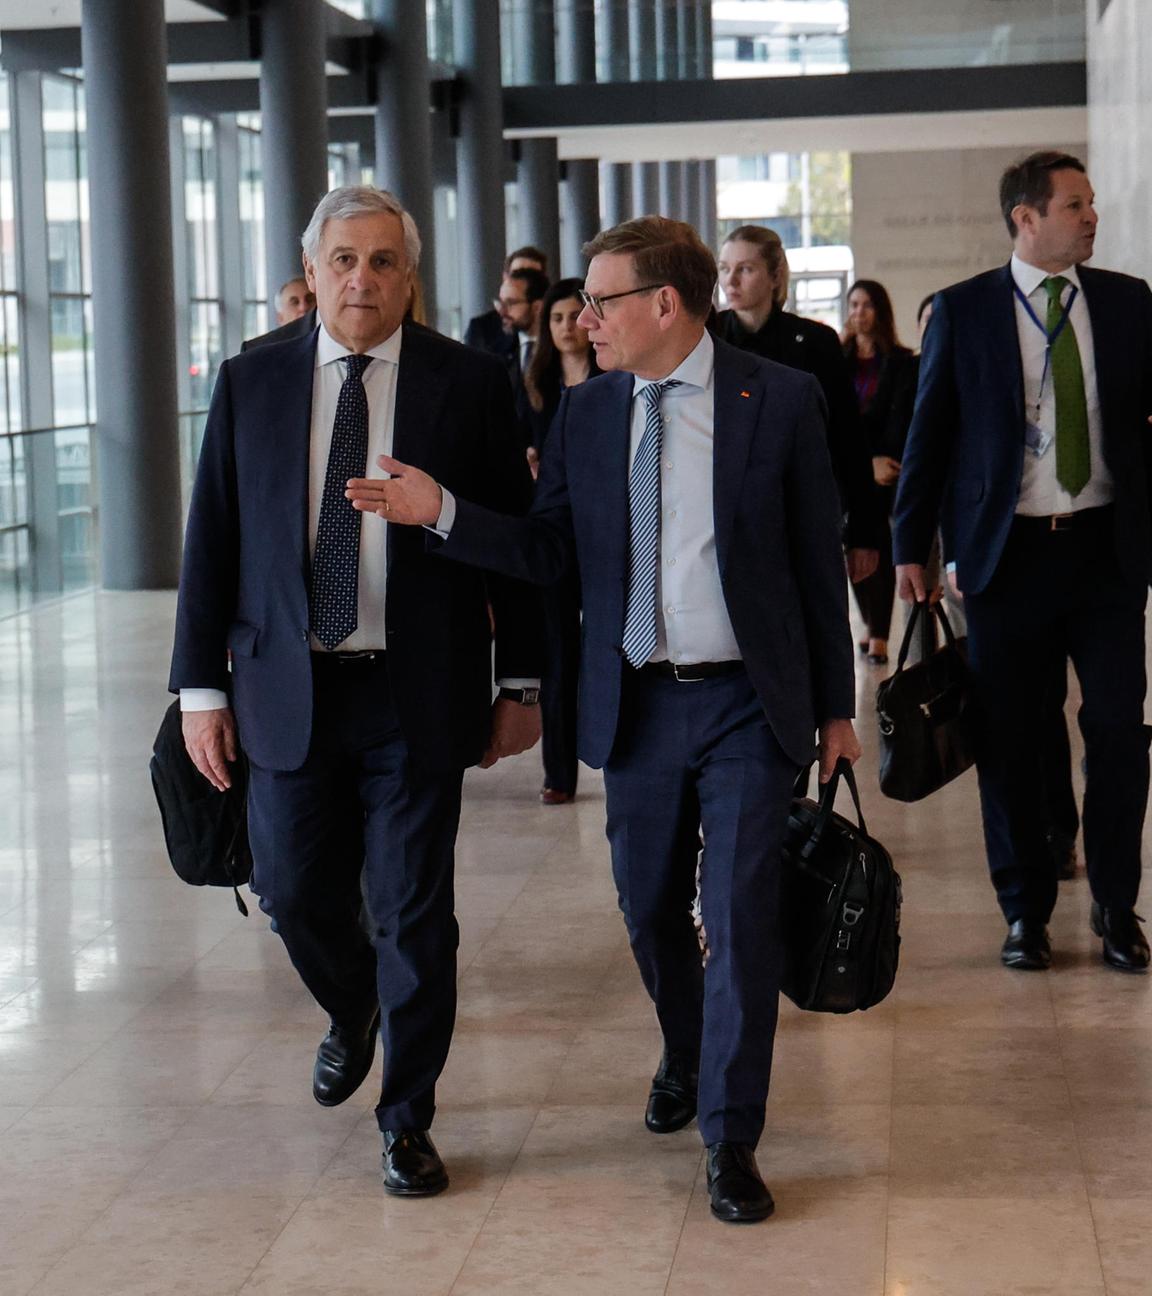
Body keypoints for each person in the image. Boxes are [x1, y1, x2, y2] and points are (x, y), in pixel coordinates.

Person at [347, 217, 860, 1224]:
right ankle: (686, 1043)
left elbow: (813, 558)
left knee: (745, 918)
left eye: (602, 299)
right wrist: (440, 512)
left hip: (750, 702)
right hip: (636, 701)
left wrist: (837, 707)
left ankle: (730, 1136)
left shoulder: (779, 399)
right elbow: (548, 554)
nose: (584, 318)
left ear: (663, 304)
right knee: (650, 909)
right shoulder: (587, 414)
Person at [169, 185, 544, 1198]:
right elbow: (212, 542)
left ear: (409, 276)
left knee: (417, 911)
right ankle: (355, 1007)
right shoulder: (253, 381)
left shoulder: (466, 384)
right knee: (292, 892)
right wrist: (200, 691)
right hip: (289, 690)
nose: (362, 280)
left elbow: (516, 542)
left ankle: (407, 1118)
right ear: (314, 268)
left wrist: (522, 679)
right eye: (343, 260)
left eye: (383, 261)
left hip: (417, 690)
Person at [893, 151, 1152, 974]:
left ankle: (1116, 903)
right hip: (1007, 560)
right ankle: (1024, 910)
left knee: (1117, 731)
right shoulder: (965, 312)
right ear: (1026, 218)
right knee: (1013, 739)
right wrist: (911, 546)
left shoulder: (1126, 302)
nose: (1092, 217)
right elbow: (928, 436)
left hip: (1106, 551)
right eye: (1074, 205)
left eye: (1092, 203)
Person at [714, 225, 881, 587]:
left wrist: (864, 533)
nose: (732, 280)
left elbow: (847, 436)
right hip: (726, 513)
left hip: (802, 509)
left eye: (745, 268)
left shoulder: (816, 342)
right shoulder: (707, 337)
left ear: (775, 276)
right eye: (725, 268)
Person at [522, 277, 601, 805]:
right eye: (555, 318)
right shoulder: (533, 382)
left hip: (599, 528)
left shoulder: (613, 374)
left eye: (575, 315)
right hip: (548, 529)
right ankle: (558, 772)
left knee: (599, 647)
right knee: (556, 653)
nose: (566, 326)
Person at [840, 279, 916, 665]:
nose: (859, 312)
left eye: (867, 304)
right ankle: (870, 625)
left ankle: (880, 634)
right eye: (853, 304)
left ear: (880, 311)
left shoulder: (902, 362)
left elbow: (902, 418)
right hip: (855, 470)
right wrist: (863, 464)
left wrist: (883, 462)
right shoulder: (838, 359)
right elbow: (837, 421)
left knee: (881, 543)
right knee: (853, 541)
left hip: (891, 470)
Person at [463, 244, 549, 357]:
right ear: (505, 277)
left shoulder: (556, 328)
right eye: (516, 273)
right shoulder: (483, 331)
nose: (521, 278)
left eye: (532, 275)